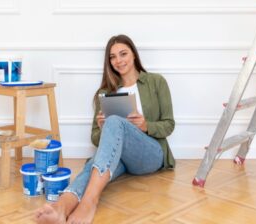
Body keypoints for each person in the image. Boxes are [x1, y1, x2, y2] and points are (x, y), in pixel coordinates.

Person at [35, 34, 175, 224]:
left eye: (123, 53)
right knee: (94, 163)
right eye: (113, 57)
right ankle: (62, 206)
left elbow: (169, 124)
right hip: (123, 160)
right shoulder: (105, 93)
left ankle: (89, 202)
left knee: (115, 122)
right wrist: (103, 128)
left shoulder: (156, 82)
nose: (118, 60)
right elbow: (95, 138)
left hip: (151, 154)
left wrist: (145, 125)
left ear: (134, 54)